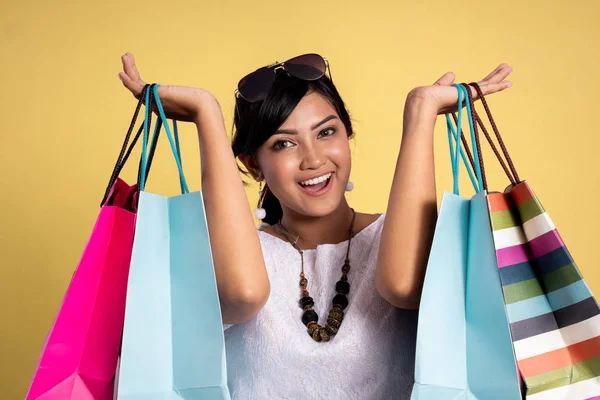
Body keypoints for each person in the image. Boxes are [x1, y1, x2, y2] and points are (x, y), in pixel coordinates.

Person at [118, 52, 512, 399]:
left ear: (347, 134)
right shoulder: (234, 256)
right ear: (253, 165)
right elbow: (244, 294)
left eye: (326, 132)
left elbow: (403, 286)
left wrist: (422, 110)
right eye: (283, 143)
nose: (313, 159)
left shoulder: (399, 237)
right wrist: (206, 114)